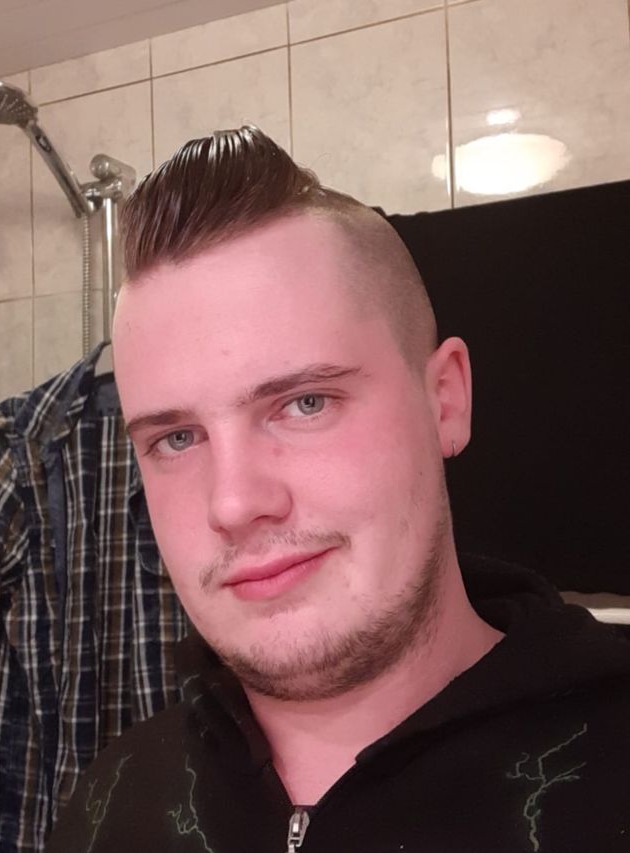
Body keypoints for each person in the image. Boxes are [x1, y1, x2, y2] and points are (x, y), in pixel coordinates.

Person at [46, 126, 630, 853]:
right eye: (177, 438)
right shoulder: (111, 804)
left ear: (445, 399)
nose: (234, 504)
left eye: (305, 403)